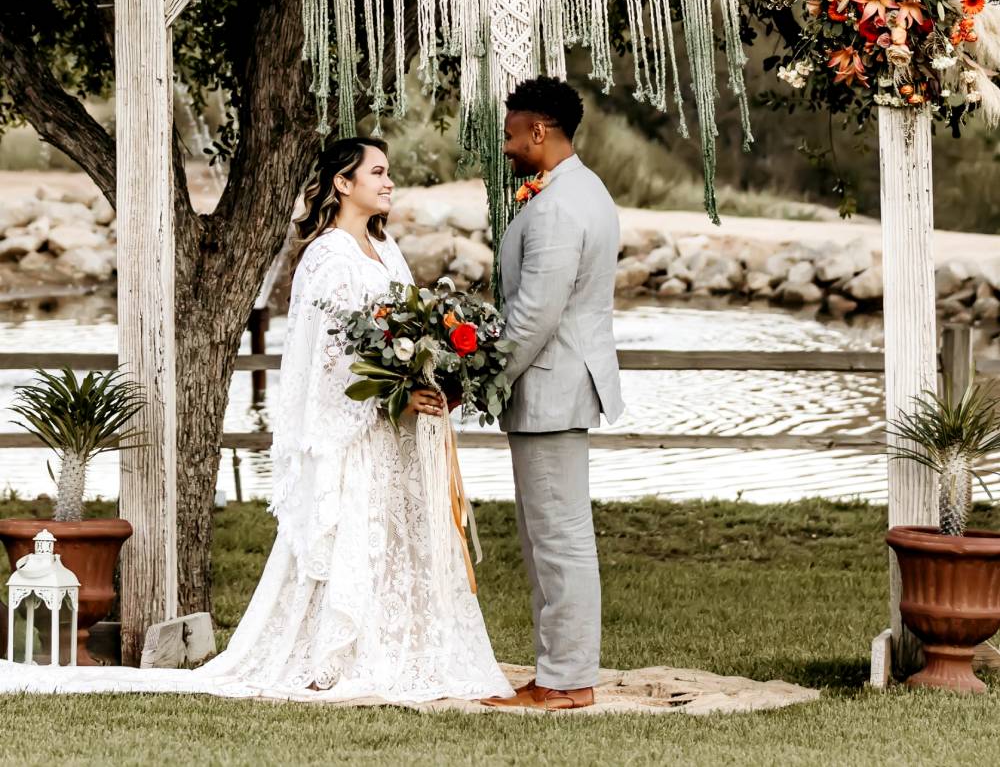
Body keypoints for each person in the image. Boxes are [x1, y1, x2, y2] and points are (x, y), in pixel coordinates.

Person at [0, 138, 511, 704]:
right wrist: (389, 393)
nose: (390, 183)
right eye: (379, 172)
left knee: (393, 542)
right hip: (353, 430)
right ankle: (333, 655)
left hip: (396, 434)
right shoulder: (327, 255)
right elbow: (326, 358)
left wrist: (432, 378)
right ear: (343, 183)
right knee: (347, 542)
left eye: (390, 173)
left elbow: (406, 331)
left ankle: (403, 647)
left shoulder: (385, 250)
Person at [483, 78, 622, 712]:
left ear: (541, 130)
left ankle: (565, 680)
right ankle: (559, 671)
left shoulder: (560, 207)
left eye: (512, 134)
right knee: (554, 536)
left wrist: (486, 377)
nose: (507, 146)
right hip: (561, 385)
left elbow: (536, 315)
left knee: (559, 539)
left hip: (552, 386)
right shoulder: (580, 190)